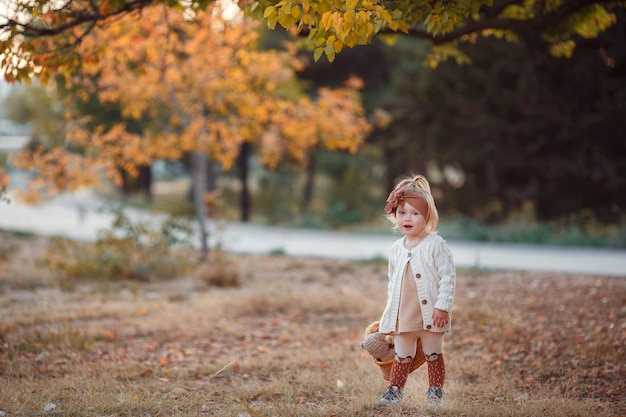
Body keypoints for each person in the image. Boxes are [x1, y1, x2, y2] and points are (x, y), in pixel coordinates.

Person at [377, 174, 456, 407]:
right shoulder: (396, 248)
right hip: (404, 313)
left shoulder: (435, 245)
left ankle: (435, 393)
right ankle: (395, 391)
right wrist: (389, 315)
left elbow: (448, 277)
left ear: (427, 216)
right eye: (402, 213)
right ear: (395, 216)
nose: (407, 218)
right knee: (402, 355)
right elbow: (393, 284)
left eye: (414, 213)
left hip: (431, 313)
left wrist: (443, 306)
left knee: (433, 352)